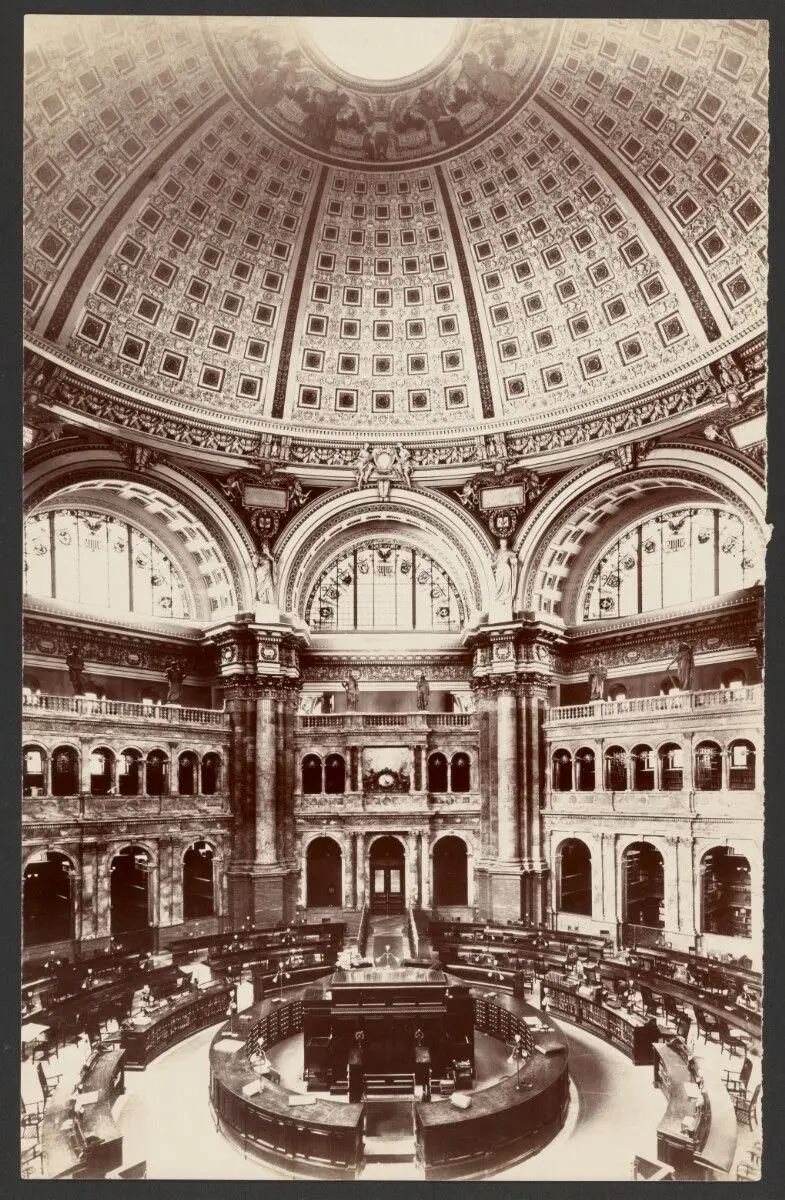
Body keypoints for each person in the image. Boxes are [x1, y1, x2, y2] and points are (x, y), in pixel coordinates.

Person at [492, 538, 518, 611]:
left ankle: (506, 599)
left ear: (506, 543)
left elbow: (514, 561)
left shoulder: (509, 552)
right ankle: (499, 599)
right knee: (499, 584)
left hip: (506, 569)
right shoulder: (497, 552)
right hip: (500, 569)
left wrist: (514, 560)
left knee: (507, 584)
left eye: (504, 542)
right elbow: (493, 562)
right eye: (502, 542)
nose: (503, 543)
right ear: (500, 543)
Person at [253, 539, 277, 605]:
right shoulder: (259, 554)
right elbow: (255, 564)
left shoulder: (270, 554)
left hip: (268, 573)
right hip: (261, 572)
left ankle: (270, 601)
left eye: (267, 546)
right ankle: (261, 599)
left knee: (269, 585)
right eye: (264, 546)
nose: (266, 547)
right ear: (262, 546)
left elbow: (274, 560)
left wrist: (268, 554)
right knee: (261, 585)